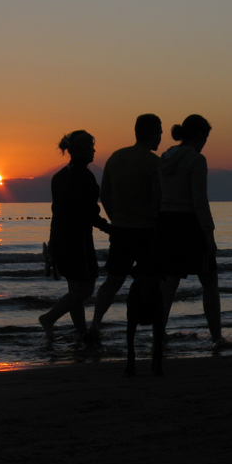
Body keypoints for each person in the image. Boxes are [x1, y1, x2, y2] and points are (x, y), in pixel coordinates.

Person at [155, 114, 232, 350]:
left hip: (166, 221)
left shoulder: (165, 157)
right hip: (188, 222)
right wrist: (209, 234)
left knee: (168, 283)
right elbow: (200, 200)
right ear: (200, 135)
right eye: (206, 137)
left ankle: (159, 334)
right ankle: (216, 337)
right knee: (209, 280)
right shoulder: (196, 159)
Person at [87, 114, 163, 346]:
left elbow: (105, 193)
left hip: (120, 229)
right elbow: (158, 200)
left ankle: (95, 324)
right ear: (152, 133)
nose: (161, 136)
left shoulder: (116, 157)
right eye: (159, 131)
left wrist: (114, 216)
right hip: (146, 231)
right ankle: (158, 329)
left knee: (113, 281)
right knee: (153, 281)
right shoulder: (153, 162)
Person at [39, 130, 111, 341]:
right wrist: (108, 228)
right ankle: (49, 318)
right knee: (86, 289)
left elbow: (58, 211)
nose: (94, 151)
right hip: (77, 239)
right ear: (80, 150)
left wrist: (53, 243)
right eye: (90, 147)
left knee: (75, 289)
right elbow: (88, 212)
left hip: (59, 236)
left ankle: (82, 333)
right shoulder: (84, 176)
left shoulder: (59, 176)